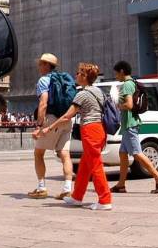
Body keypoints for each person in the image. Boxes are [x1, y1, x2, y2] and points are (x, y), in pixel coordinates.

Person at [36, 62, 112, 210]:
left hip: (90, 130)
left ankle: (105, 199)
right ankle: (77, 196)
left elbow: (67, 116)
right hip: (99, 129)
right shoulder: (98, 91)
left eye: (78, 73)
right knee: (85, 165)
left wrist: (49, 128)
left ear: (84, 76)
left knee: (96, 166)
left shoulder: (82, 94)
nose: (75, 75)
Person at [110, 60, 158, 194]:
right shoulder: (133, 83)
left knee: (137, 153)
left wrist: (118, 105)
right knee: (123, 154)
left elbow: (129, 105)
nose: (116, 76)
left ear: (122, 71)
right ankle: (121, 184)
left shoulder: (126, 86)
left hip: (130, 124)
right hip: (129, 125)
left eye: (116, 73)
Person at [29, 53, 73, 200]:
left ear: (47, 65)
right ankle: (67, 188)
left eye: (41, 64)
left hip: (52, 119)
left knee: (38, 153)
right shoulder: (64, 78)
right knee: (65, 154)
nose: (39, 66)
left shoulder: (44, 80)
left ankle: (41, 188)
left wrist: (39, 125)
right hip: (66, 119)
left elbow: (43, 103)